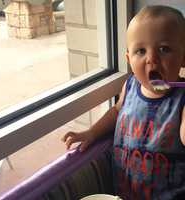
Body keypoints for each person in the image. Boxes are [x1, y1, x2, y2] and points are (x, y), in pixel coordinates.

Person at [62, 5, 185, 200]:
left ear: (183, 56)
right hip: (124, 192)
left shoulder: (181, 97)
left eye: (164, 49)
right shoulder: (130, 87)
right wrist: (92, 132)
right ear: (128, 59)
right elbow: (116, 112)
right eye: (140, 51)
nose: (151, 59)